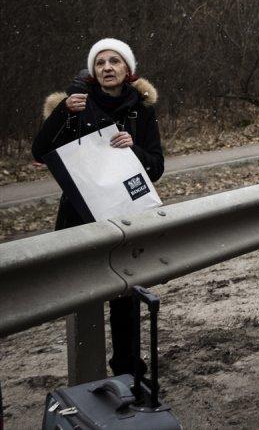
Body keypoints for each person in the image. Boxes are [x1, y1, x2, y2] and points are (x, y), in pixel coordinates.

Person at [31, 38, 164, 376]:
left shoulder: (142, 110)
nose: (107, 67)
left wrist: (133, 149)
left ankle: (128, 371)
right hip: (79, 219)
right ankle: (87, 376)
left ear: (127, 70)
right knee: (84, 298)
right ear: (93, 71)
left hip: (125, 217)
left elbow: (156, 167)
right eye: (100, 62)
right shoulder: (73, 105)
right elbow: (39, 151)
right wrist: (62, 112)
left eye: (114, 61)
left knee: (125, 295)